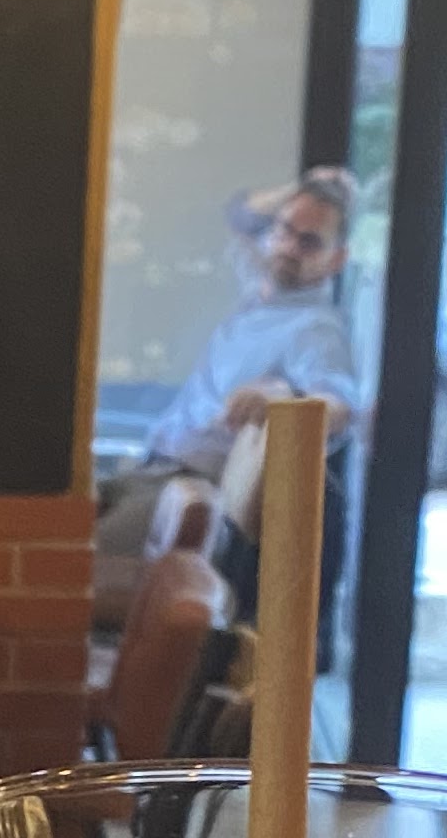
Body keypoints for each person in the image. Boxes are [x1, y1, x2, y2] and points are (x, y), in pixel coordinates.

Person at [95, 168, 364, 622]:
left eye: (309, 242)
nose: (289, 247)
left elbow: (341, 405)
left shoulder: (315, 329)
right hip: (152, 471)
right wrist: (301, 187)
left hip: (188, 492)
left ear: (336, 259)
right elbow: (239, 214)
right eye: (284, 230)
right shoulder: (258, 291)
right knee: (51, 513)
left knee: (56, 552)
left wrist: (286, 396)